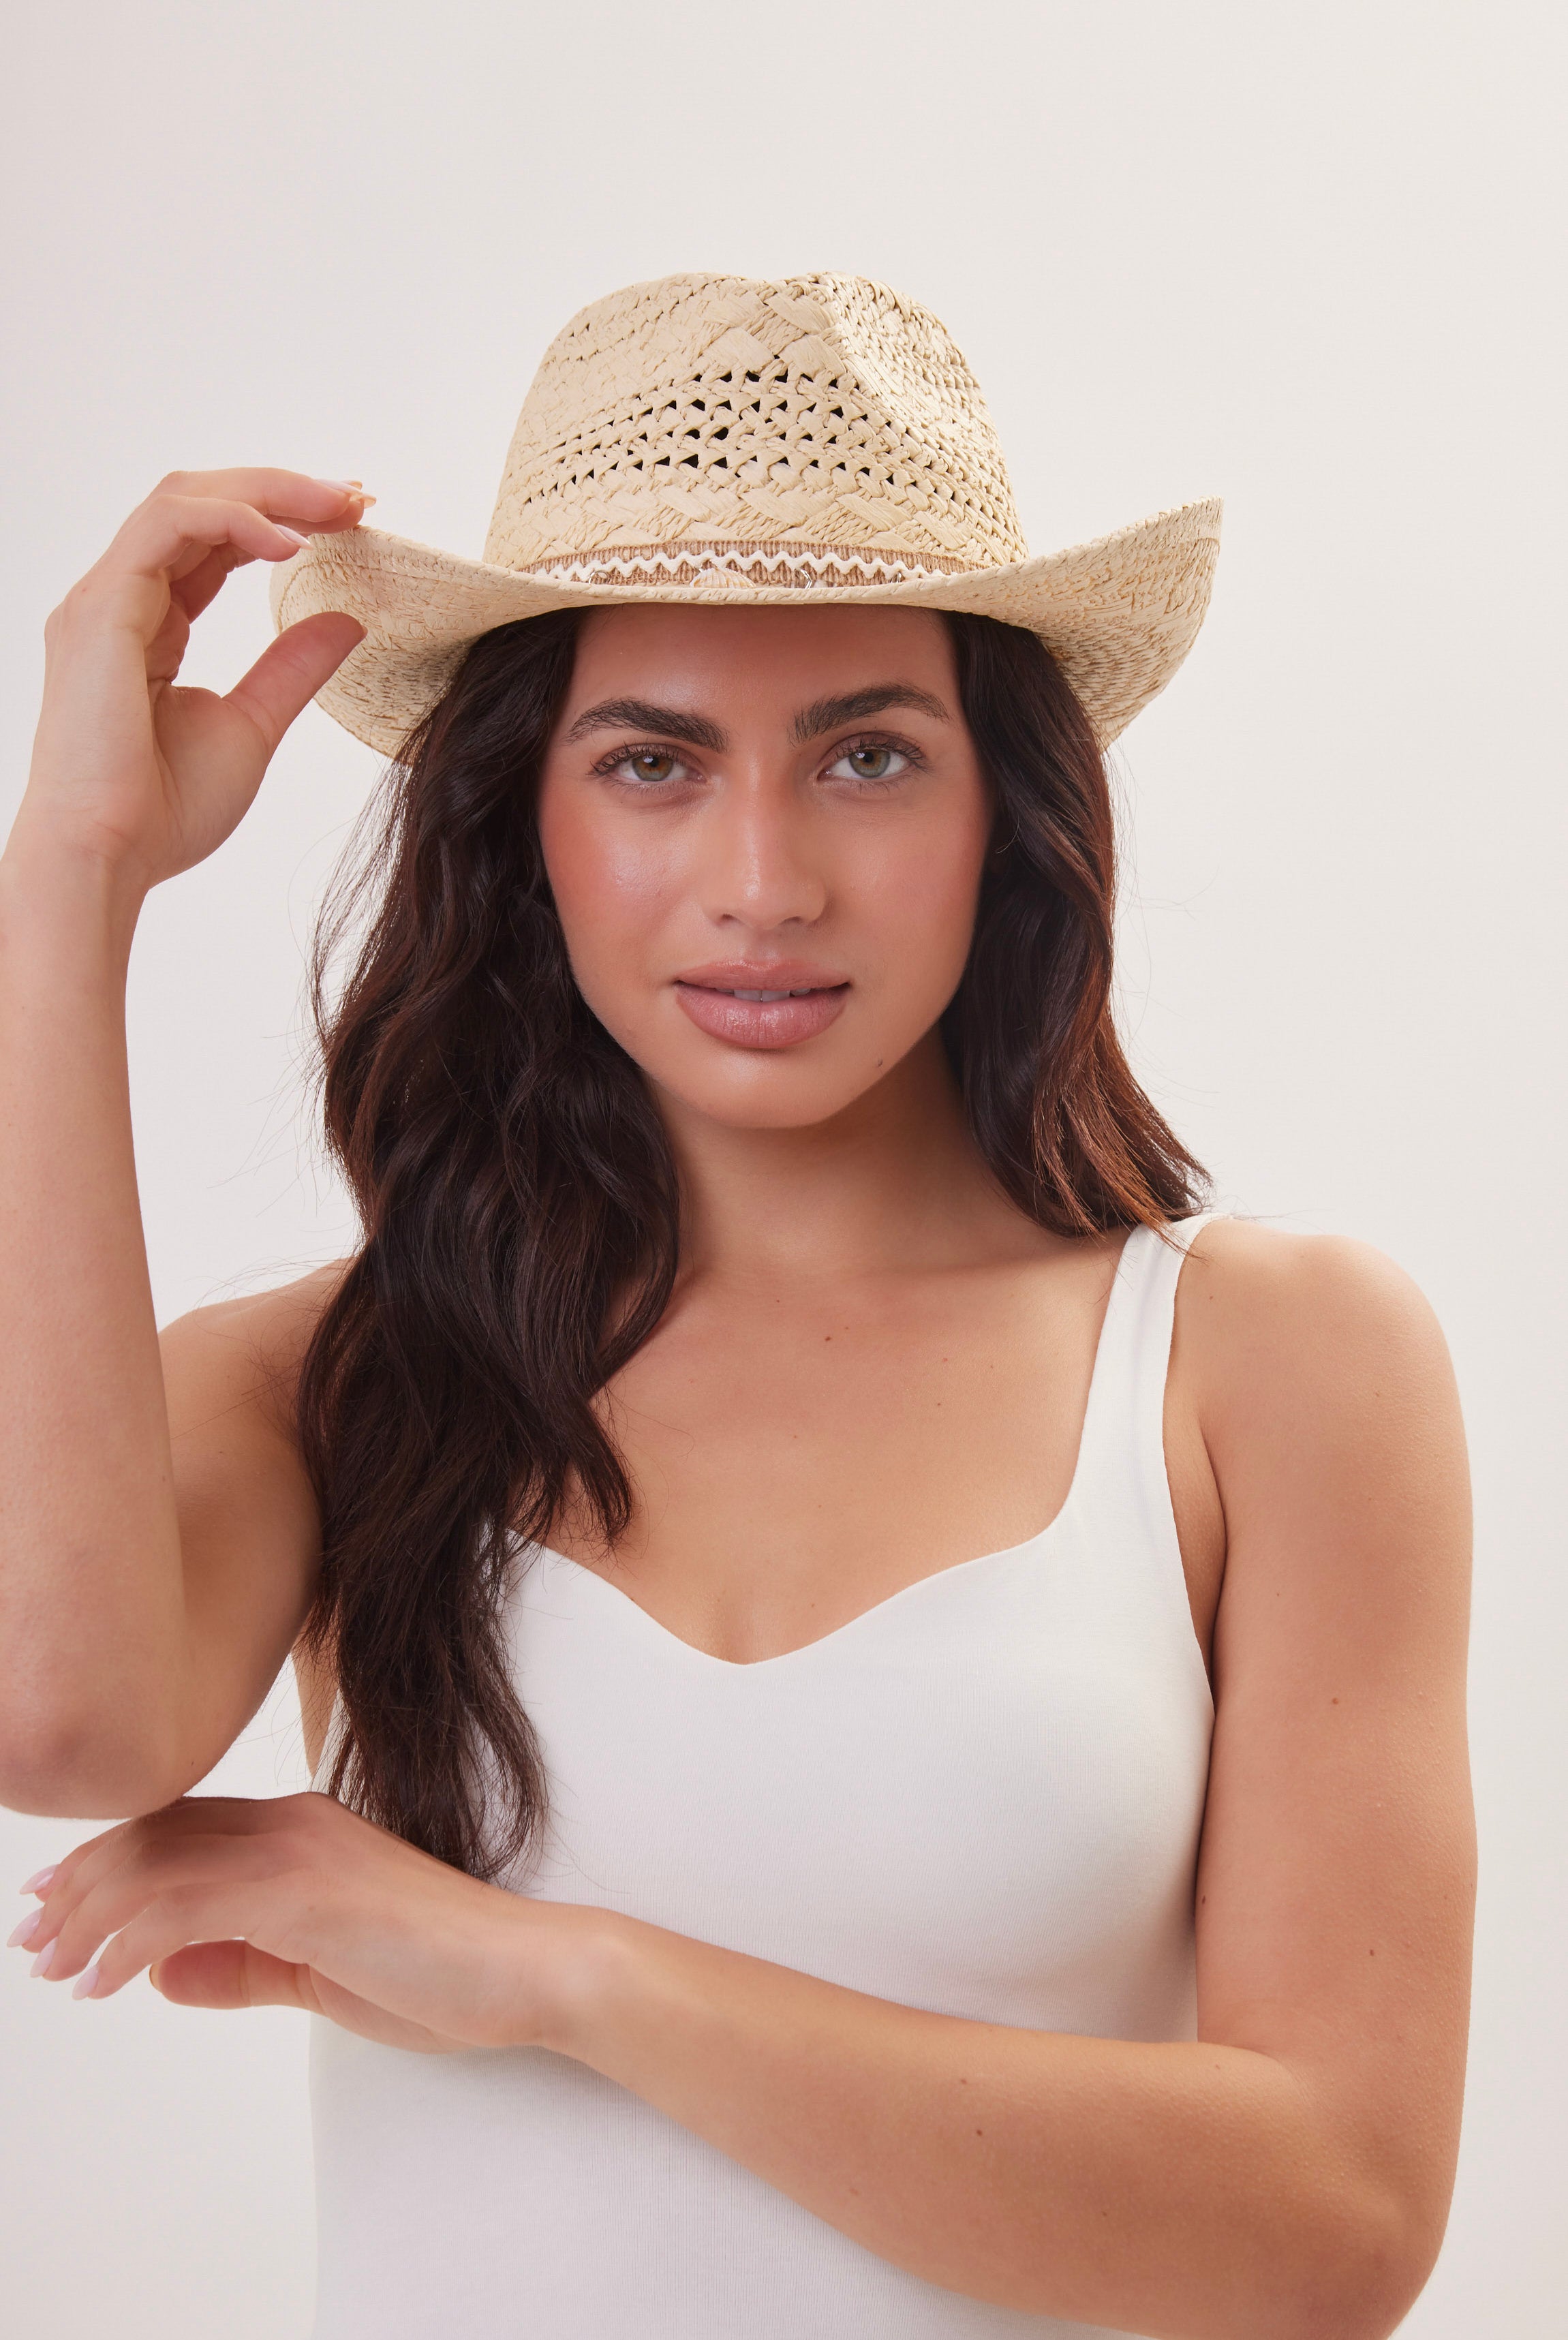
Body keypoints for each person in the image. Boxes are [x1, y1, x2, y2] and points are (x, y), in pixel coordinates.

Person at [0, 275, 1473, 2340]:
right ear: (524, 821)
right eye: (652, 761)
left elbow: (1332, 2228)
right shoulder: (339, 1383)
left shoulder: (1266, 1365)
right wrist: (67, 884)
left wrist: (557, 1974)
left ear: (1004, 814)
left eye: (868, 754)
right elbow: (50, 1723)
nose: (764, 878)